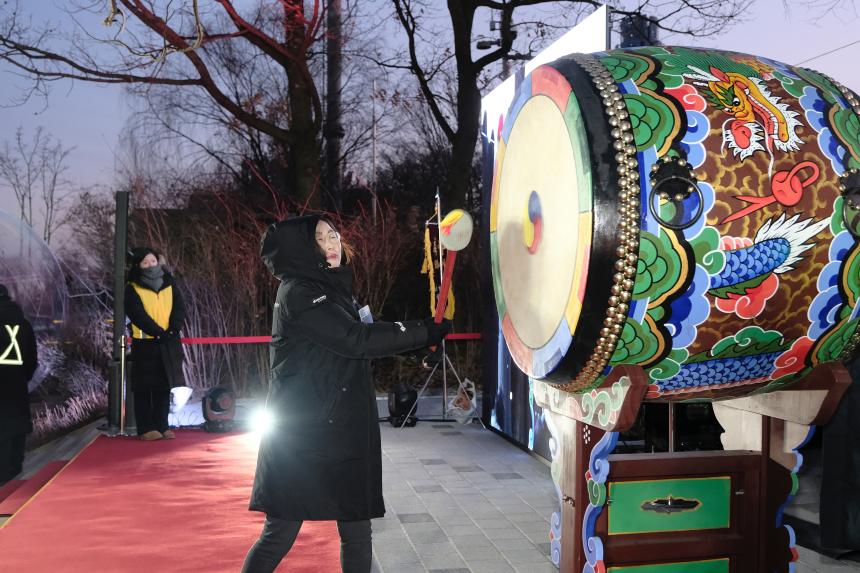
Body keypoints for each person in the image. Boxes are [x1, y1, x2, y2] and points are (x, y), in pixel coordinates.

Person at [243, 215, 450, 573]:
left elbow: (362, 330)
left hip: (340, 427)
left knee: (357, 529)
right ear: (302, 249)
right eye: (320, 238)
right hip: (303, 434)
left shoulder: (331, 288)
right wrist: (422, 331)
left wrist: (415, 347)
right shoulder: (300, 293)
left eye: (334, 235)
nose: (332, 244)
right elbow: (355, 339)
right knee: (280, 531)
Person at [125, 247, 186, 441]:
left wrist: (173, 329)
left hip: (168, 341)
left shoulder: (169, 282)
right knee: (144, 387)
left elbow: (179, 306)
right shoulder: (132, 287)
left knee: (164, 386)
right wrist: (157, 331)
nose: (150, 265)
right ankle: (146, 427)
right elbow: (137, 313)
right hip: (145, 343)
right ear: (138, 265)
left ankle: (162, 425)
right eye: (145, 262)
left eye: (153, 261)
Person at [0, 284, 38, 485]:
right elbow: (32, 360)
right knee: (15, 431)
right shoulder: (23, 323)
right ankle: (13, 481)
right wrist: (21, 377)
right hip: (16, 386)